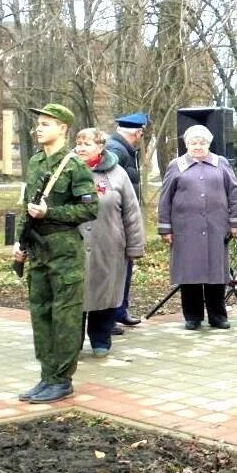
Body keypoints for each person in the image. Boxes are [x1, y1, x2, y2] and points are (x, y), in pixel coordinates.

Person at [14, 104, 98, 404]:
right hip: (38, 249)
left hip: (64, 251)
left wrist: (53, 212)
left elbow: (90, 208)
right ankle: (47, 375)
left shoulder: (75, 165)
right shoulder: (36, 161)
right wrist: (19, 242)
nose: (39, 128)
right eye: (38, 123)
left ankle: (62, 379)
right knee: (40, 313)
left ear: (63, 128)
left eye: (46, 124)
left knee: (64, 315)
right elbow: (26, 203)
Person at [157, 124, 237, 330]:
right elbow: (165, 199)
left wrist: (236, 222)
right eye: (193, 143)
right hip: (185, 229)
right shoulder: (176, 166)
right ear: (186, 144)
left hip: (216, 227)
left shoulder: (221, 163)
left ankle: (218, 316)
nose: (198, 146)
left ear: (209, 144)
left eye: (202, 142)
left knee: (216, 272)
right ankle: (192, 316)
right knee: (190, 273)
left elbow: (234, 193)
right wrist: (165, 228)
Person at [74, 128, 145, 357]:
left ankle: (100, 338)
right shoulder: (67, 170)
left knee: (105, 292)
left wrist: (135, 245)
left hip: (109, 244)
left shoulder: (117, 173)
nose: (82, 148)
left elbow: (131, 212)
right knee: (74, 294)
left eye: (88, 144)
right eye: (79, 143)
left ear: (101, 147)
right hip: (73, 244)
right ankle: (71, 342)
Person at [105, 111, 148, 331]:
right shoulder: (116, 150)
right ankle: (109, 317)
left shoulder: (123, 149)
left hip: (123, 219)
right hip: (116, 220)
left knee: (125, 267)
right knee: (116, 271)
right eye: (142, 133)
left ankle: (120, 311)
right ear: (138, 133)